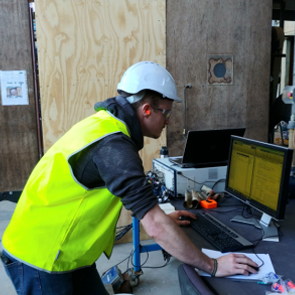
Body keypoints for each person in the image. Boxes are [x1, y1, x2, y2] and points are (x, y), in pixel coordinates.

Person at [1, 61, 258, 295]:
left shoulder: (104, 126)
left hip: (68, 252)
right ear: (147, 110)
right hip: (40, 257)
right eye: (166, 113)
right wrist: (213, 265)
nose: (168, 121)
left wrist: (162, 219)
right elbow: (154, 226)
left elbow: (133, 201)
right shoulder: (114, 146)